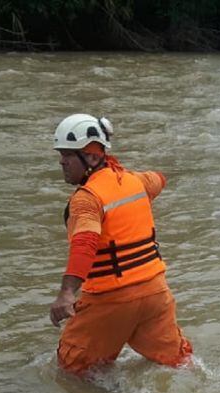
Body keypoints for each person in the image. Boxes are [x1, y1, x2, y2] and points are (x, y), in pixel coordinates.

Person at [48, 113, 192, 375]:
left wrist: (67, 293)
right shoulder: (137, 181)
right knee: (177, 364)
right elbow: (159, 178)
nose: (62, 161)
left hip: (109, 300)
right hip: (155, 295)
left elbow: (85, 243)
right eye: (61, 154)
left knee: (71, 371)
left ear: (92, 157)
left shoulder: (86, 199)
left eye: (68, 155)